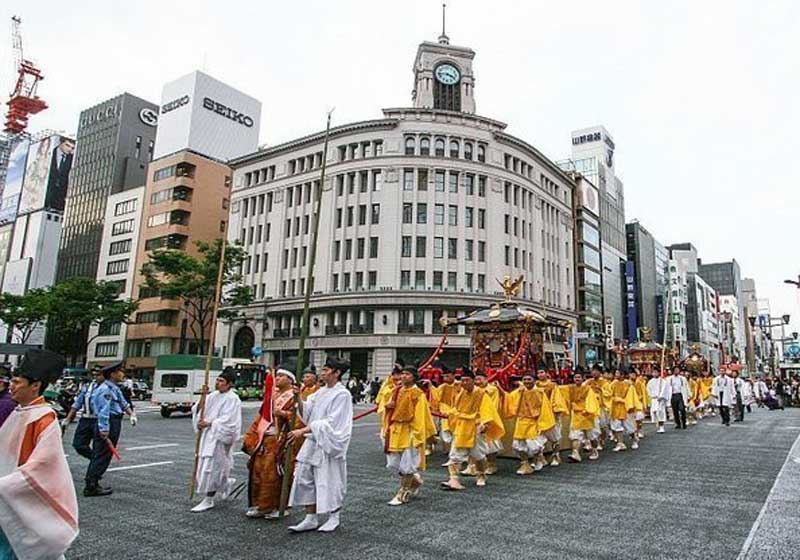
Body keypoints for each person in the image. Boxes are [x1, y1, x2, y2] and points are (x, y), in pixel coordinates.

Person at [0, 349, 78, 560]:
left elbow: (44, 465)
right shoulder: (19, 411)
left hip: (22, 495)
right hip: (8, 494)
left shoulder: (44, 417)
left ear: (35, 386)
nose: (11, 386)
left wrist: (7, 484)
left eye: (17, 382)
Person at [287, 356, 353, 533]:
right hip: (313, 440)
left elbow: (332, 423)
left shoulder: (342, 394)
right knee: (304, 477)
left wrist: (303, 431)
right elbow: (308, 412)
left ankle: (334, 516)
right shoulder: (320, 392)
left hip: (328, 443)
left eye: (326, 370)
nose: (322, 373)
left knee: (329, 479)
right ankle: (311, 517)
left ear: (337, 373)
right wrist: (298, 398)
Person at [242, 362, 298, 519]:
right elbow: (260, 418)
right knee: (257, 473)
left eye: (281, 376)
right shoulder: (272, 395)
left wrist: (284, 414)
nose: (277, 378)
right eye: (277, 375)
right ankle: (260, 505)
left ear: (290, 379)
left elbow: (300, 419)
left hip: (279, 439)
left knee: (273, 475)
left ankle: (276, 506)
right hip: (264, 439)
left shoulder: (294, 396)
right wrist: (251, 436)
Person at [439, 368, 504, 490]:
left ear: (473, 381)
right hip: (462, 427)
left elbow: (487, 410)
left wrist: (485, 424)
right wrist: (449, 413)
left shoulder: (481, 394)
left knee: (478, 455)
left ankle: (481, 475)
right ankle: (453, 480)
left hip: (476, 427)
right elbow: (456, 409)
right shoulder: (461, 394)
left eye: (467, 380)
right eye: (462, 380)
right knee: (455, 454)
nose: (464, 383)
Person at [191, 369, 242, 512]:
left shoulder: (233, 399)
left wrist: (209, 423)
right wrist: (203, 396)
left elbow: (229, 421)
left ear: (229, 384)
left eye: (221, 381)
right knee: (209, 466)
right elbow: (198, 409)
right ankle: (226, 483)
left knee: (213, 467)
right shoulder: (212, 395)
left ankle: (209, 499)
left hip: (219, 437)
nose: (217, 383)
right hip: (207, 436)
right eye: (217, 380)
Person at [383, 365, 435, 506]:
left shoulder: (418, 394)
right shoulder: (396, 391)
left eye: (407, 374)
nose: (403, 376)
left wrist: (417, 435)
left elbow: (420, 416)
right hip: (395, 430)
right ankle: (415, 481)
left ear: (413, 377)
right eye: (402, 374)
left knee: (407, 464)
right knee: (393, 464)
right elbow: (385, 406)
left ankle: (403, 493)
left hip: (409, 431)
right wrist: (388, 406)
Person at [84, 362, 137, 497]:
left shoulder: (114, 388)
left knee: (103, 454)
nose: (122, 374)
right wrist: (104, 428)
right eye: (120, 371)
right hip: (109, 422)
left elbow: (123, 402)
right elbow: (103, 411)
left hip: (114, 421)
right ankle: (91, 485)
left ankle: (93, 482)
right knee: (102, 454)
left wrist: (131, 414)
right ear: (112, 374)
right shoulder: (105, 390)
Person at [505, 372, 555, 474]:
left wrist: (543, 423)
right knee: (519, 445)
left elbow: (545, 409)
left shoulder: (540, 393)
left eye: (529, 379)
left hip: (534, 422)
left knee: (534, 446)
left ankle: (537, 459)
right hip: (521, 421)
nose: (527, 381)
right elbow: (509, 400)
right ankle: (525, 463)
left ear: (534, 381)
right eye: (525, 380)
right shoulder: (517, 392)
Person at [61, 366, 105, 461]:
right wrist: (68, 419)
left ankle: (96, 467)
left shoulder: (108, 388)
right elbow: (77, 403)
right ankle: (95, 459)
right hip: (86, 419)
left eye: (98, 375)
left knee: (99, 447)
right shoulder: (87, 387)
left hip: (99, 420)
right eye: (94, 375)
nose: (96, 377)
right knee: (78, 444)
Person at [535, 366, 568, 467]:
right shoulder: (535, 385)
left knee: (554, 437)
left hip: (551, 414)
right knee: (537, 438)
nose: (540, 375)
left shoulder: (552, 386)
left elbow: (557, 400)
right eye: (538, 373)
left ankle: (555, 455)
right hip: (539, 415)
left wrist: (556, 412)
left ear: (546, 373)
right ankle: (540, 458)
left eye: (542, 372)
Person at [566, 370, 601, 462]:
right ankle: (575, 453)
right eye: (575, 377)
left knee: (592, 436)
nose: (577, 379)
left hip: (587, 415)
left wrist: (588, 410)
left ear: (583, 379)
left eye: (579, 377)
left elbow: (592, 401)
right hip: (576, 415)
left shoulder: (588, 389)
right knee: (575, 435)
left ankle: (594, 450)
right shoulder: (571, 388)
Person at [609, 370, 639, 451]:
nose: (616, 375)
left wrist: (630, 406)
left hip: (626, 407)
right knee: (616, 426)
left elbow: (632, 397)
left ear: (622, 375)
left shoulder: (629, 385)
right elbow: (608, 394)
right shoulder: (613, 384)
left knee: (629, 427)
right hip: (616, 407)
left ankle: (634, 439)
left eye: (617, 373)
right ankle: (620, 443)